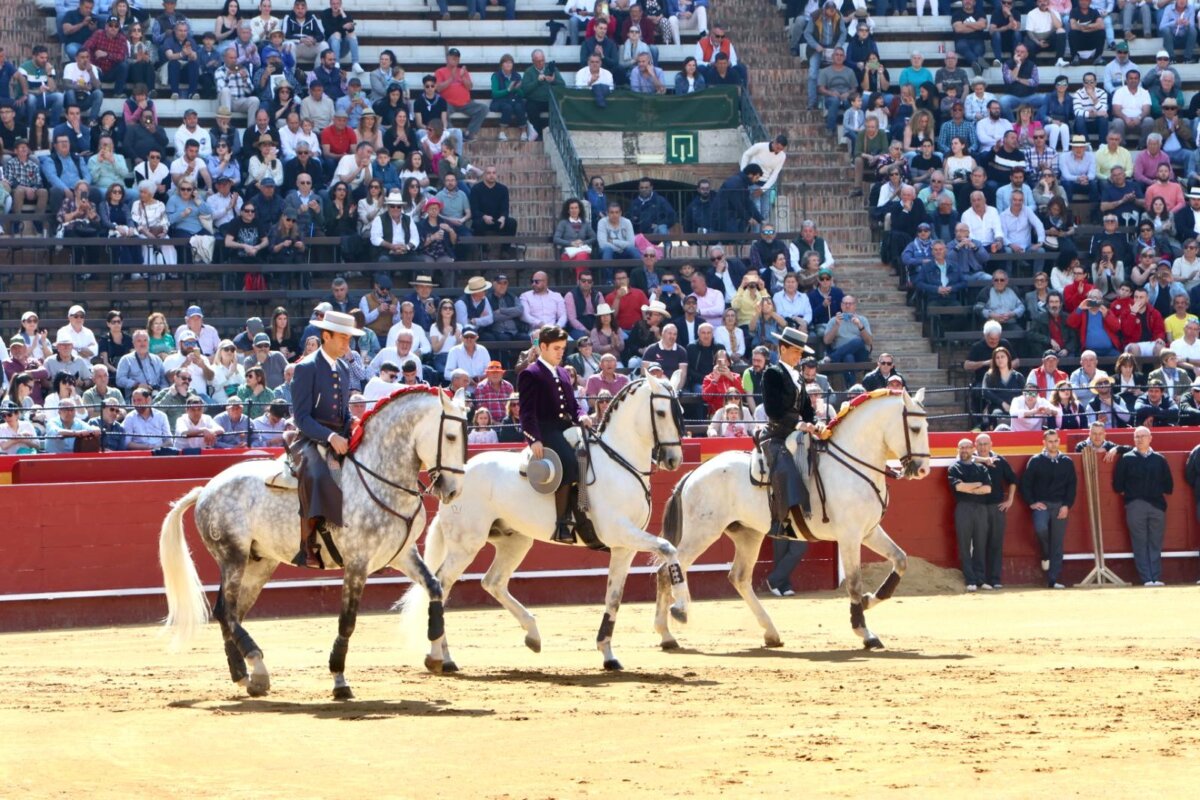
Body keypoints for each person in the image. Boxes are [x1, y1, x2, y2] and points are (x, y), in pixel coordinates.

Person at [289, 309, 362, 568]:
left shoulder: (343, 368)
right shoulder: (306, 368)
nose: (346, 344)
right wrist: (330, 437)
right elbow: (301, 418)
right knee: (317, 475)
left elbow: (342, 411)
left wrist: (352, 424)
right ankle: (308, 544)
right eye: (342, 338)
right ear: (326, 336)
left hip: (339, 436)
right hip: (309, 438)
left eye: (349, 340)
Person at [516, 325, 594, 545]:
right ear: (543, 347)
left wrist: (582, 416)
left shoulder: (561, 372)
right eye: (556, 348)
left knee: (590, 452)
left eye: (563, 348)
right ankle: (562, 525)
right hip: (544, 429)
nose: (561, 352)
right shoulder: (530, 373)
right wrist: (534, 439)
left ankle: (584, 511)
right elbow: (527, 412)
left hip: (565, 427)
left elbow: (573, 405)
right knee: (569, 464)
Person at [761, 327, 818, 541]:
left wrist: (815, 424)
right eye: (796, 351)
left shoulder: (798, 377)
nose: (799, 356)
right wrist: (798, 425)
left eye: (801, 353)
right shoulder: (772, 373)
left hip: (796, 431)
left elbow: (806, 409)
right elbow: (772, 410)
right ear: (782, 348)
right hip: (776, 434)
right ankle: (781, 522)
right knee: (784, 469)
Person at [1112, 426, 1173, 586]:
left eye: (1142, 436)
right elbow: (1118, 486)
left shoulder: (1159, 459)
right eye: (1136, 436)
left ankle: (1155, 577)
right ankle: (1147, 578)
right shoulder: (1126, 458)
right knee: (1140, 541)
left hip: (1156, 505)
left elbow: (1169, 485)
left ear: (1150, 438)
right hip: (1135, 504)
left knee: (1155, 542)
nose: (1139, 439)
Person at [1021, 428, 1077, 590]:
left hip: (1060, 505)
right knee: (1040, 528)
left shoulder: (1066, 461)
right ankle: (1045, 553)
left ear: (1059, 441)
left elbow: (1071, 486)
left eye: (1056, 441)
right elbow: (1026, 484)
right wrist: (1032, 502)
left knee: (1058, 543)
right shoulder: (1036, 460)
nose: (1053, 444)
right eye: (1050, 441)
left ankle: (1053, 579)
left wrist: (1067, 505)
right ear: (1044, 443)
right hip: (1042, 504)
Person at [973, 433, 1017, 590]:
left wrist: (1010, 500)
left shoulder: (1000, 461)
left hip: (996, 507)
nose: (983, 447)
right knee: (979, 543)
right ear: (975, 445)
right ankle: (980, 579)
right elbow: (962, 458)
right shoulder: (971, 460)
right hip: (977, 508)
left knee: (996, 543)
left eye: (986, 444)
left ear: (991, 445)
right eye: (980, 444)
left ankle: (995, 579)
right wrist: (984, 460)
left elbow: (1012, 480)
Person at [948, 437, 992, 592]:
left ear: (973, 449)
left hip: (980, 508)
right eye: (962, 448)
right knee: (964, 544)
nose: (965, 450)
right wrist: (977, 485)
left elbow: (988, 489)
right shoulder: (954, 468)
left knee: (980, 543)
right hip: (964, 507)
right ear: (958, 450)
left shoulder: (981, 468)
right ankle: (970, 579)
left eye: (967, 447)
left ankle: (980, 578)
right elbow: (959, 488)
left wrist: (970, 488)